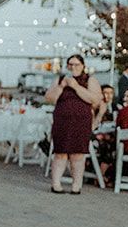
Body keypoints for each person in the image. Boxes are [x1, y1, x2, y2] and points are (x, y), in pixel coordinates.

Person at [44, 53, 102, 193]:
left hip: (81, 121)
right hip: (62, 120)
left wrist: (76, 87)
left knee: (78, 154)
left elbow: (95, 100)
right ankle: (56, 184)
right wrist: (61, 87)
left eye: (76, 64)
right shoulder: (60, 80)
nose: (73, 67)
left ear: (83, 66)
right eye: (70, 64)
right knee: (60, 152)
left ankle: (77, 185)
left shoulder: (90, 80)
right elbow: (49, 99)